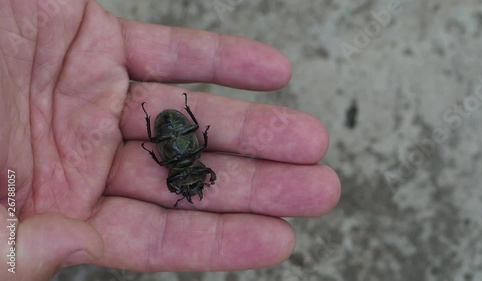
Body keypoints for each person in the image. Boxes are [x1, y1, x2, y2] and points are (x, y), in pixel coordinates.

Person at [0, 1, 341, 280]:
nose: (193, 183)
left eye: (186, 184)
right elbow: (187, 159)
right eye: (195, 181)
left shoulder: (183, 156)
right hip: (174, 129)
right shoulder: (185, 157)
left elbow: (185, 157)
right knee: (186, 145)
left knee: (184, 144)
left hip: (171, 131)